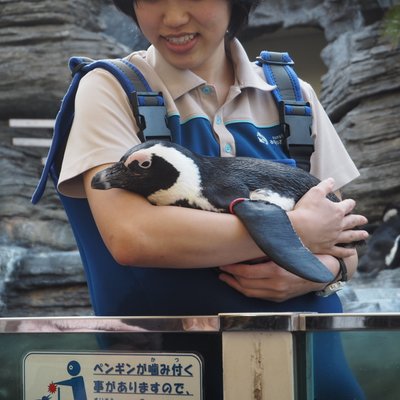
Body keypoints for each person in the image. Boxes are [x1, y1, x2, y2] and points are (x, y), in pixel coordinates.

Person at [56, 0, 368, 398]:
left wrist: (315, 270)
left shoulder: (291, 95)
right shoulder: (111, 89)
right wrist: (296, 232)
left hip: (308, 371)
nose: (172, 18)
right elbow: (133, 237)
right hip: (172, 376)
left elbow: (347, 240)